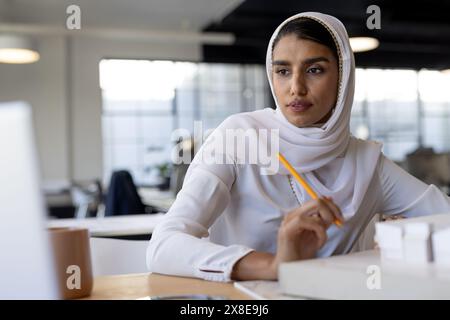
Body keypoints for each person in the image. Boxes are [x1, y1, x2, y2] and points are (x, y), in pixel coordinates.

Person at [146, 12, 450, 282]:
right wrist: (272, 266)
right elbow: (163, 245)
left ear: (343, 77)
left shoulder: (368, 163)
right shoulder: (238, 138)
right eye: (282, 71)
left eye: (314, 69)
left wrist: (410, 235)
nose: (296, 87)